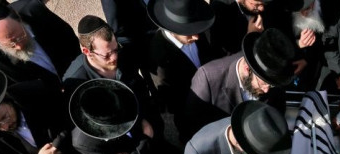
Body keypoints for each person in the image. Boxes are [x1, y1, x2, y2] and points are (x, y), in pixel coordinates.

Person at [63, 15, 160, 141]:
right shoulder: (75, 82)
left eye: (115, 49)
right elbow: (90, 124)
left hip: (146, 113)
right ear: (87, 51)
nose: (114, 57)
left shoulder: (124, 52)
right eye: (107, 55)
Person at [186, 28, 294, 134]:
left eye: (271, 86)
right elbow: (193, 128)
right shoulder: (208, 79)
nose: (266, 90)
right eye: (263, 83)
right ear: (247, 69)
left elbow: (277, 112)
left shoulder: (275, 75)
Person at [145, 0, 215, 143]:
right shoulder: (158, 56)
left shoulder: (197, 31)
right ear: (172, 29)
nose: (196, 37)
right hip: (189, 114)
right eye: (189, 34)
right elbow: (171, 101)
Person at [0, 0, 79, 88]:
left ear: (19, 18)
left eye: (21, 37)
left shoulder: (35, 10)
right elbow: (7, 90)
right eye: (10, 44)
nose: (19, 46)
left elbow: (70, 42)